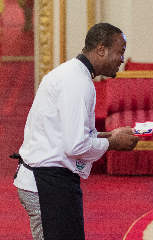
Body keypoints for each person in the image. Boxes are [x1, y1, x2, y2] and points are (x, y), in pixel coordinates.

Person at [12, 23, 139, 240]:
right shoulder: (77, 82)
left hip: (46, 177)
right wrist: (113, 143)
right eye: (120, 52)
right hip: (47, 182)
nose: (121, 59)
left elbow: (68, 134)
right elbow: (75, 146)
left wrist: (110, 135)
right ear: (101, 49)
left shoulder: (73, 73)